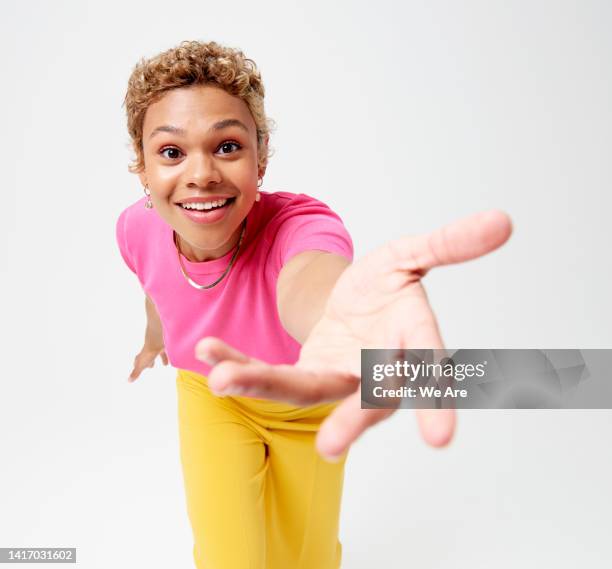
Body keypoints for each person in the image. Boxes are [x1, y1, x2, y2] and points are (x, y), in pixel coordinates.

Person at [117, 40, 512, 569]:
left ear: (261, 160)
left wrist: (344, 316)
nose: (202, 173)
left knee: (303, 559)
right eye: (171, 152)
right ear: (142, 168)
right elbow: (155, 283)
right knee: (227, 555)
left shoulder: (298, 226)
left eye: (228, 146)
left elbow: (311, 279)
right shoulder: (136, 228)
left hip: (304, 402)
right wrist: (153, 338)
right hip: (213, 394)